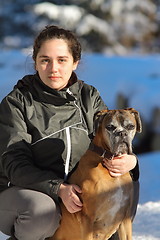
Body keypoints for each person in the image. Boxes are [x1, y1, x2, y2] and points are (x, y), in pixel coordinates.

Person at [0, 25, 139, 240]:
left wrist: (130, 161)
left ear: (75, 63)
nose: (53, 68)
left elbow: (108, 142)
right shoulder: (17, 103)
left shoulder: (88, 96)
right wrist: (59, 189)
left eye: (62, 60)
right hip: (25, 194)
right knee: (42, 211)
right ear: (35, 62)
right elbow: (14, 165)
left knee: (129, 183)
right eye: (45, 60)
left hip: (76, 191)